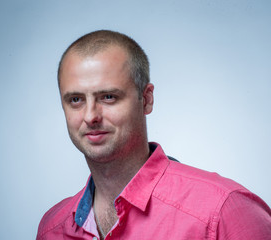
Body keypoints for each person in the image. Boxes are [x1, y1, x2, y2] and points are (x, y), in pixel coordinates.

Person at [37, 30, 271, 240]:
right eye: (75, 100)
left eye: (108, 97)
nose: (90, 116)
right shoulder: (51, 229)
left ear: (146, 99)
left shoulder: (223, 212)